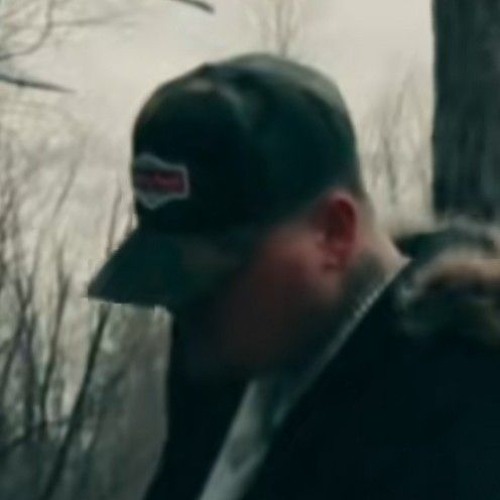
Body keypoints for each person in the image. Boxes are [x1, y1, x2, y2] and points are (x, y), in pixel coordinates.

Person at [87, 54, 500, 500]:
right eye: (173, 279)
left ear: (334, 233)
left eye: (219, 276)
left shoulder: (457, 411)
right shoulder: (229, 366)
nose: (184, 304)